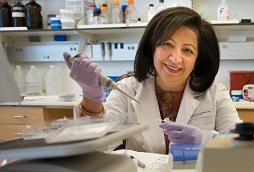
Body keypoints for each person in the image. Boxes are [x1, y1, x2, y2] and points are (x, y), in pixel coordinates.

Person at [63, 7, 241, 154]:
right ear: (152, 48)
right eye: (167, 44)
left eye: (187, 50)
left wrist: (208, 140)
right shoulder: (127, 90)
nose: (175, 58)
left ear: (197, 59)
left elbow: (243, 149)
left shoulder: (216, 94)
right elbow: (96, 147)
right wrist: (91, 96)